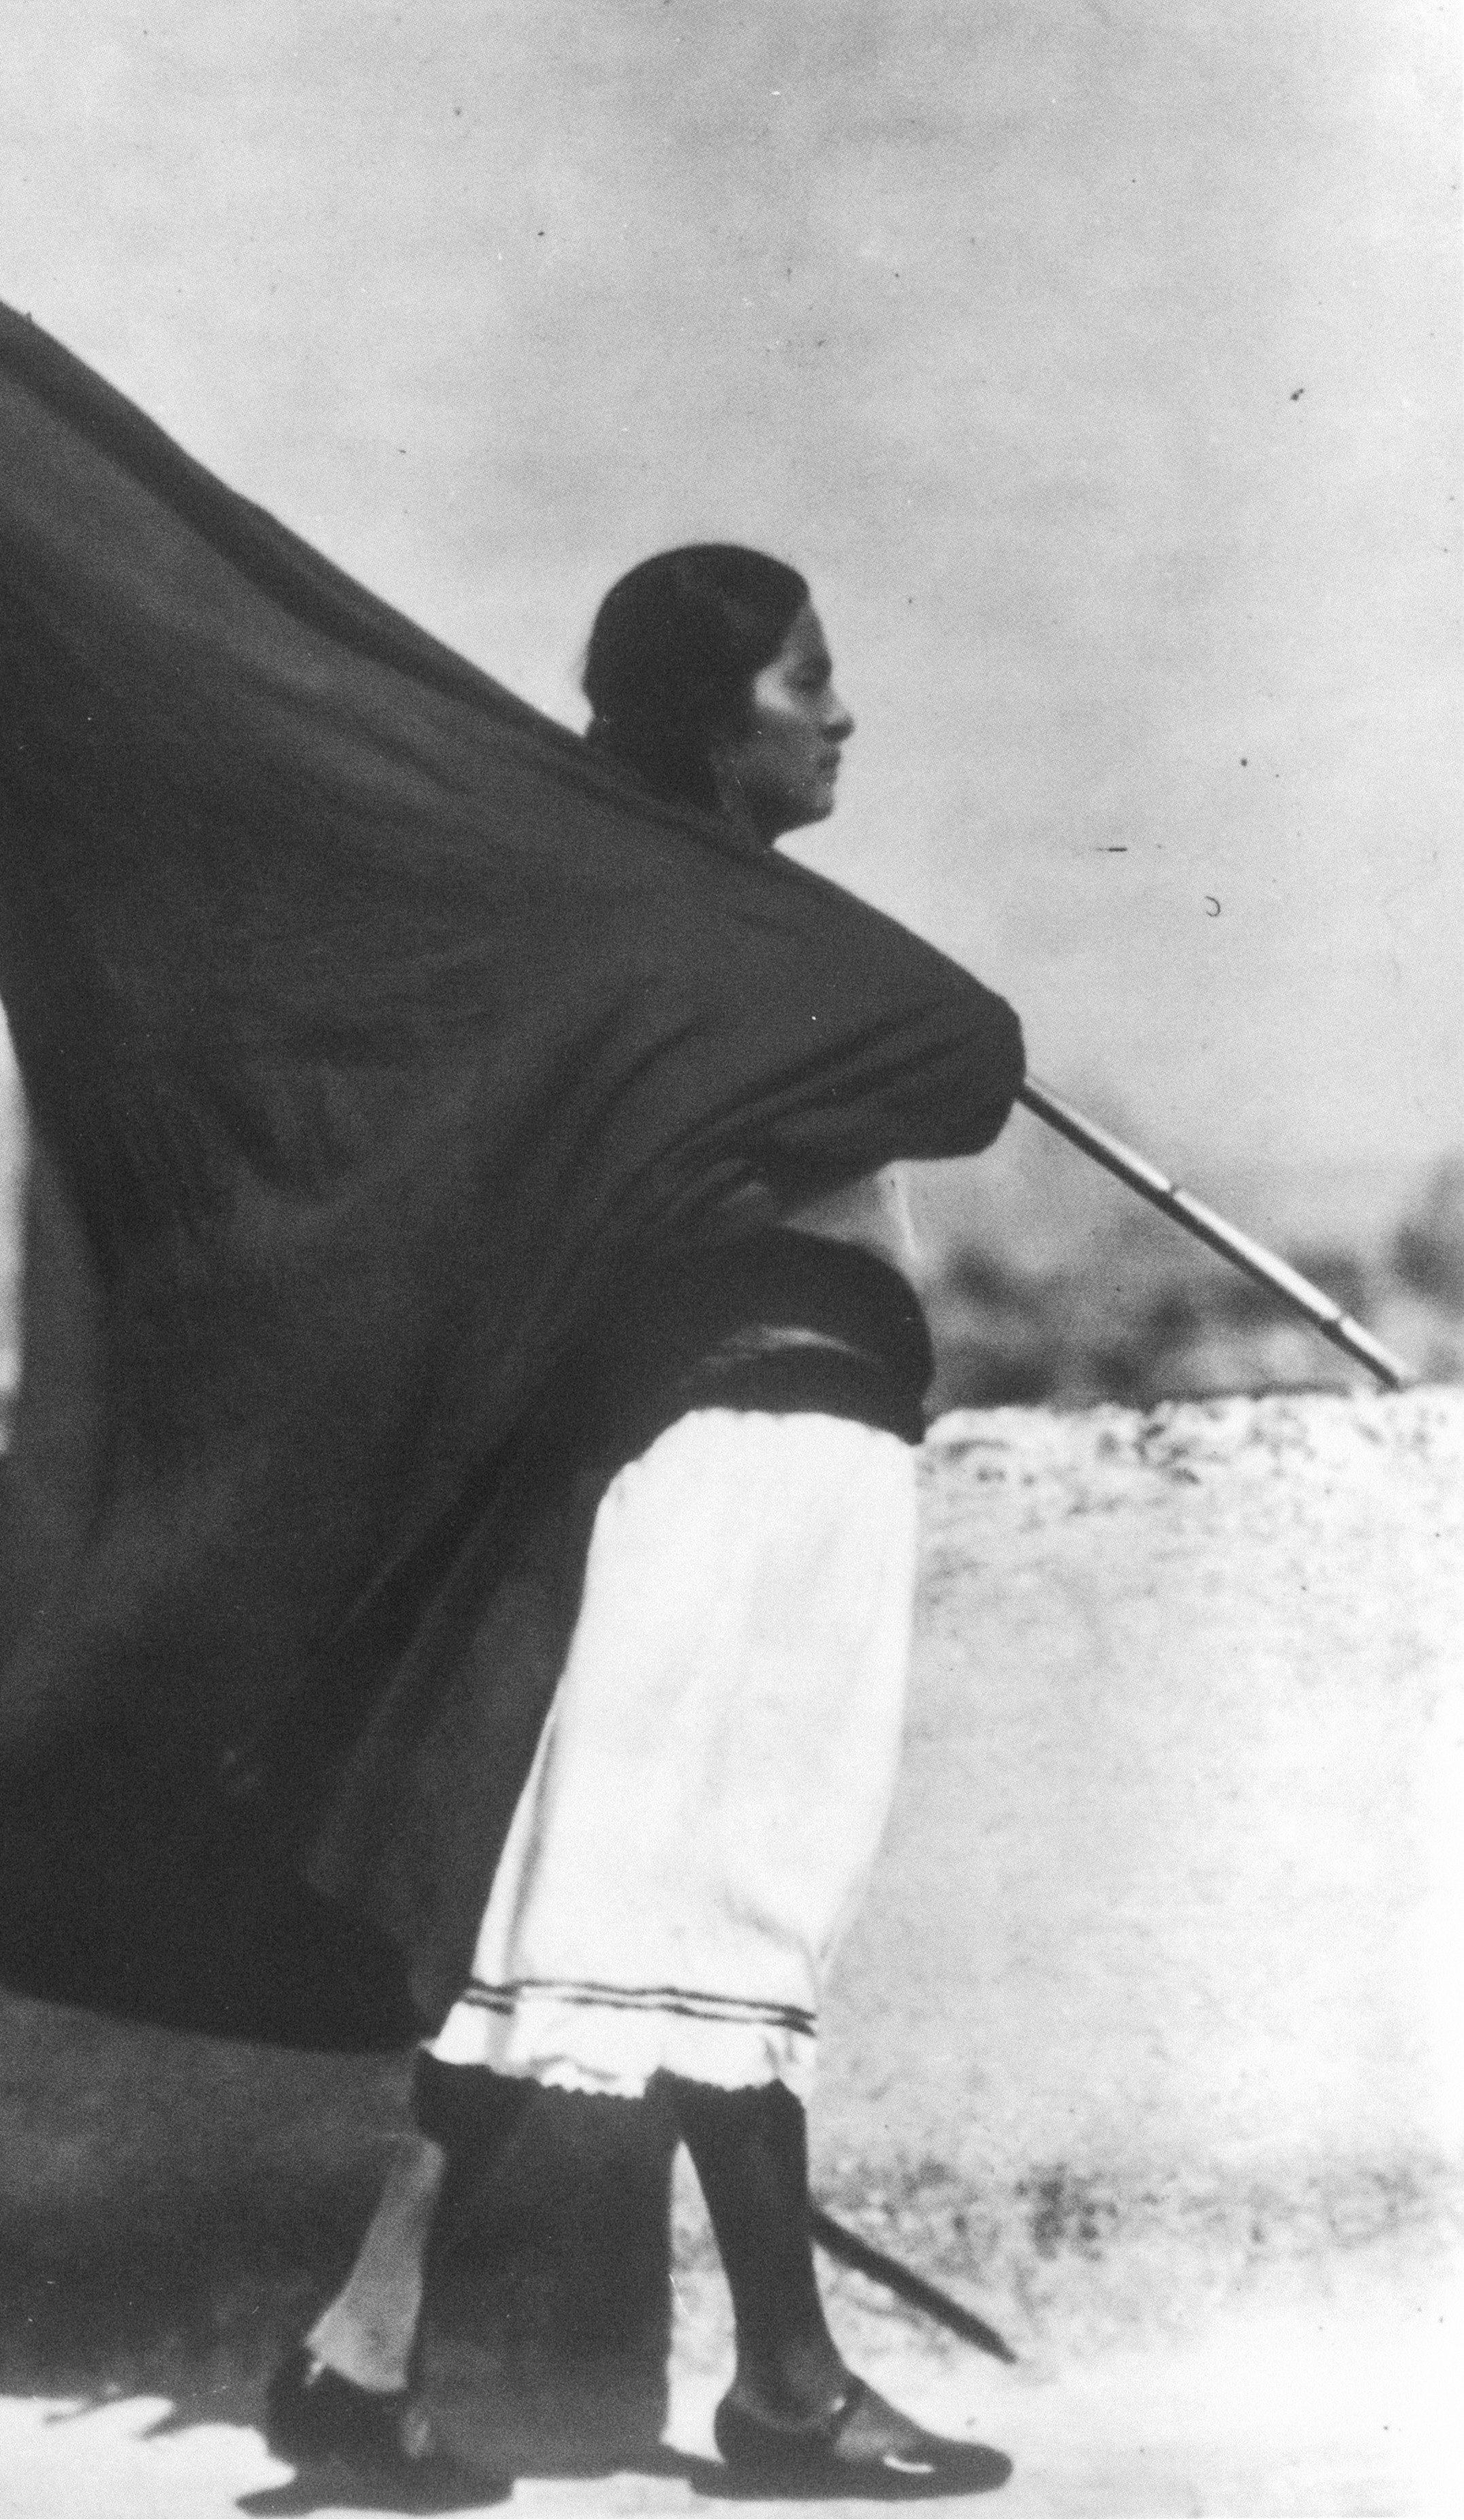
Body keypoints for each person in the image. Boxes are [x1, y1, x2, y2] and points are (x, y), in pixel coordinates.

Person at [265, 547, 1015, 2505]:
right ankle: (772, 2391)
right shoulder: (694, 939)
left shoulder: (705, 931)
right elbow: (970, 1053)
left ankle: (383, 2358)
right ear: (710, 716)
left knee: (631, 1917)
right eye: (806, 682)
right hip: (734, 1453)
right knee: (669, 1907)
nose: (842, 717)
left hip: (784, 1451)